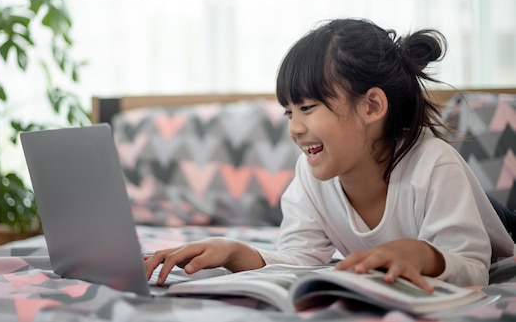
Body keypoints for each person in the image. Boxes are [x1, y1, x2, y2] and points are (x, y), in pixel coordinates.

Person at [144, 18, 515, 291]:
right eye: (289, 112)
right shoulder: (311, 174)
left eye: (307, 107)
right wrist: (232, 251)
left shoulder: (434, 165)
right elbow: (299, 258)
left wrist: (422, 254)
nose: (294, 128)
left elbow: (472, 267)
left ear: (371, 106)